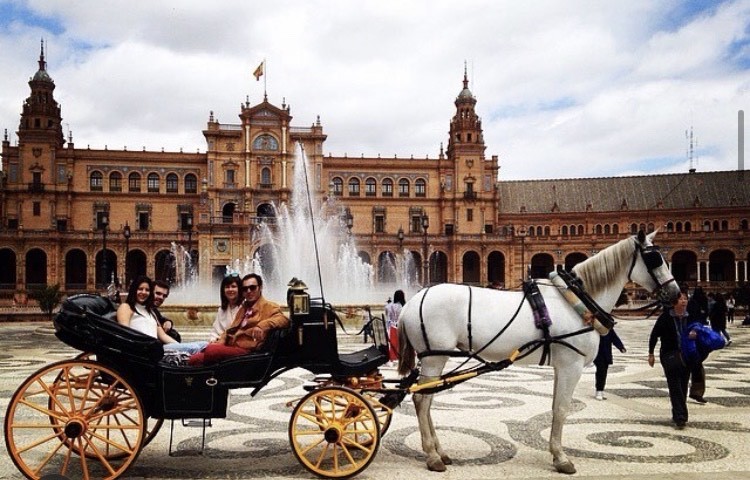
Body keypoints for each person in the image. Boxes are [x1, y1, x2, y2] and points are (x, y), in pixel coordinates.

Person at [189, 273, 288, 366]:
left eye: (252, 287)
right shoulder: (244, 307)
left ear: (260, 288)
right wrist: (222, 339)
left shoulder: (268, 306)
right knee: (195, 359)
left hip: (248, 350)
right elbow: (232, 328)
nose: (249, 291)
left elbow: (283, 319)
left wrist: (262, 325)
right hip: (234, 347)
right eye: (245, 289)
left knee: (211, 350)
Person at [116, 275, 206, 355]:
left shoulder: (150, 311)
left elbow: (163, 336)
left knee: (204, 344)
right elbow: (125, 333)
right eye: (140, 289)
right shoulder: (126, 307)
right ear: (134, 289)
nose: (144, 292)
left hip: (157, 349)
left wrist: (181, 347)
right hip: (145, 351)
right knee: (194, 348)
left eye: (147, 290)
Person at [648, 290, 698, 429]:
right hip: (669, 354)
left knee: (683, 384)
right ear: (674, 302)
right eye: (681, 298)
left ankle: (677, 413)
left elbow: (700, 329)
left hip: (686, 355)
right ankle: (681, 417)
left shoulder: (691, 317)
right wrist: (651, 353)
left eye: (685, 298)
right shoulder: (665, 317)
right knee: (674, 384)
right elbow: (654, 335)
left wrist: (696, 333)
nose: (684, 301)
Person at [686, 287, 709, 404]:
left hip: (691, 337)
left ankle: (694, 391)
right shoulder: (700, 304)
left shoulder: (692, 303)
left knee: (694, 365)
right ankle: (696, 392)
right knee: (696, 366)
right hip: (695, 337)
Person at [593, 329, 626, 400]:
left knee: (603, 371)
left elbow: (614, 338)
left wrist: (621, 347)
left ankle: (600, 390)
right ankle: (599, 391)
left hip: (605, 354)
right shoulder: (595, 328)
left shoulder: (608, 329)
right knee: (601, 371)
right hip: (597, 353)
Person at [209, 274, 243, 342]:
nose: (230, 289)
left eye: (233, 286)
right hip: (219, 343)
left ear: (240, 289)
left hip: (235, 345)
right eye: (227, 287)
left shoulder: (245, 307)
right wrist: (213, 340)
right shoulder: (221, 310)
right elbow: (215, 331)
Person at [384, 290, 405, 363]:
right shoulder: (402, 306)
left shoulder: (388, 306)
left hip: (390, 325)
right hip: (399, 325)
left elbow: (387, 315)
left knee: (392, 343)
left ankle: (391, 356)